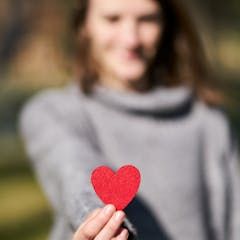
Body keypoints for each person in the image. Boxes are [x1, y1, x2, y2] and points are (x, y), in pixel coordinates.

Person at [18, 0, 240, 239]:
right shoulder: (52, 112)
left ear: (166, 24)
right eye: (112, 19)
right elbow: (72, 170)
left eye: (147, 19)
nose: (131, 39)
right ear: (84, 25)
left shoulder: (208, 121)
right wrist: (96, 219)